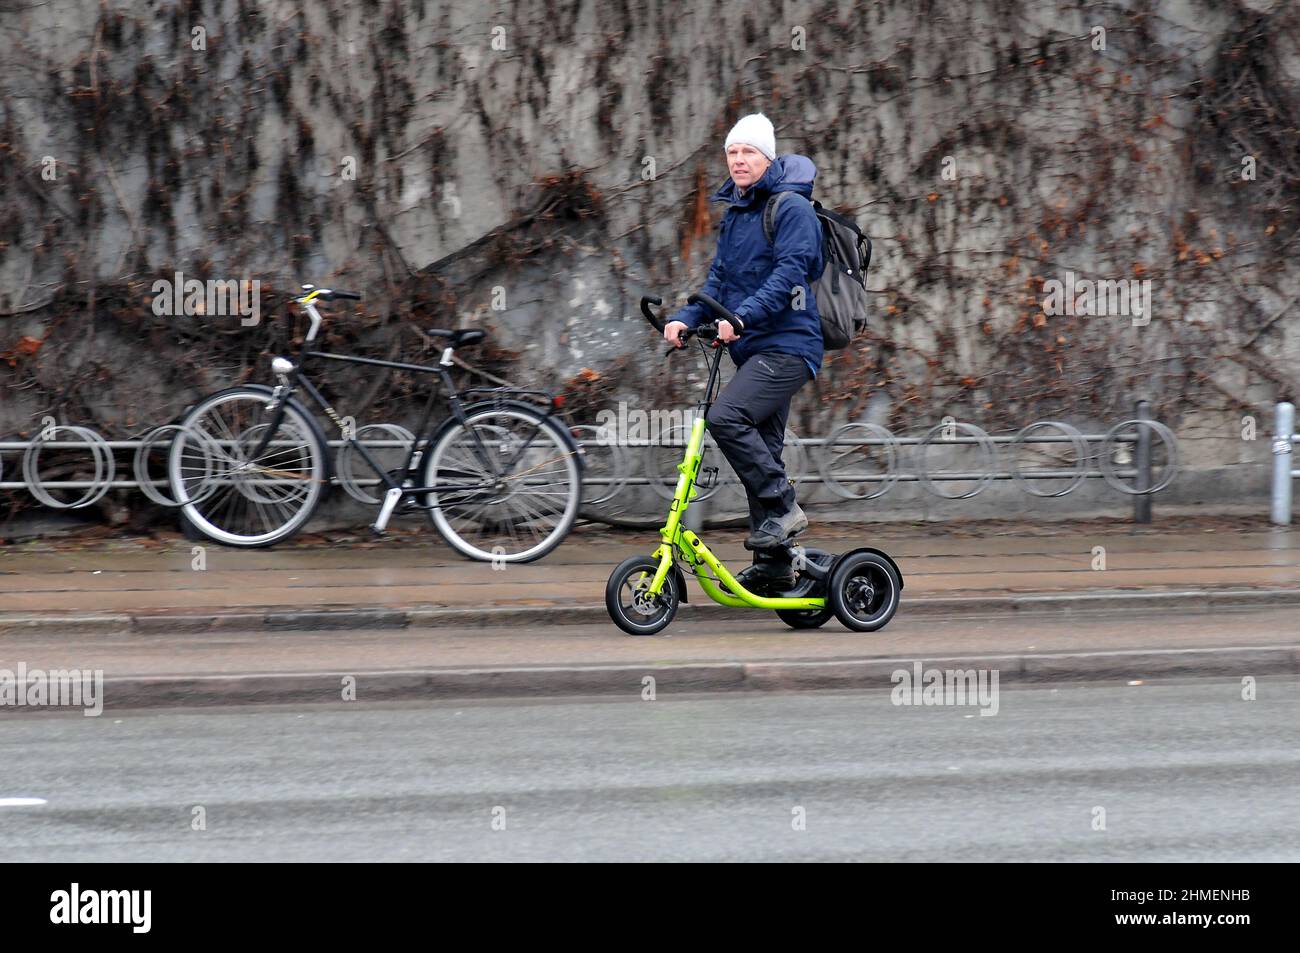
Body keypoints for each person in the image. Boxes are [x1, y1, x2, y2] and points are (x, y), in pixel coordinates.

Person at [664, 113, 824, 592]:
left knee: (726, 418)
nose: (737, 160)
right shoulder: (737, 213)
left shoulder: (791, 209)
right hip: (754, 350)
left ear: (767, 157)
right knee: (764, 449)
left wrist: (742, 318)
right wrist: (685, 318)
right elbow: (720, 281)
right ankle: (776, 565)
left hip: (789, 347)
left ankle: (782, 505)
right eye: (732, 152)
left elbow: (789, 275)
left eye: (747, 152)